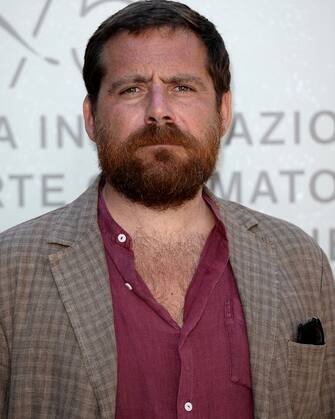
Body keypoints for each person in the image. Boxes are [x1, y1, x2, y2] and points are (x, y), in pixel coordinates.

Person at [0, 1, 334, 418]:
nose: (158, 110)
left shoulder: (301, 263)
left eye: (182, 87)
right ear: (90, 117)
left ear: (224, 111)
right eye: (132, 89)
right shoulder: (9, 273)